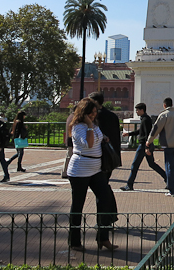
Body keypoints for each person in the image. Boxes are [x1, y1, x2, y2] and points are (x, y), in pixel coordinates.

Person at [67, 98, 118, 251]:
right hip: (80, 170)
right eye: (91, 113)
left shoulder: (95, 125)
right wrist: (89, 125)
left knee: (105, 199)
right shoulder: (77, 127)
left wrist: (104, 137)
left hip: (96, 169)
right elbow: (88, 144)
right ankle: (74, 241)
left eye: (95, 113)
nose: (94, 115)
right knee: (78, 205)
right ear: (83, 113)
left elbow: (99, 138)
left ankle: (103, 237)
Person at [120, 103, 167, 191]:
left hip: (143, 146)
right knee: (152, 164)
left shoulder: (145, 119)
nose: (136, 112)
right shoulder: (145, 119)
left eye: (137, 110)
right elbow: (140, 131)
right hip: (146, 145)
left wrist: (146, 147)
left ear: (142, 110)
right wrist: (129, 134)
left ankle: (129, 185)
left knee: (135, 165)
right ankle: (167, 179)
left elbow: (147, 134)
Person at [146, 97, 174, 196]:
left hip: (168, 144)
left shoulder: (164, 115)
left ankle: (172, 189)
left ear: (164, 105)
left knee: (169, 166)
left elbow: (156, 129)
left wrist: (149, 141)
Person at [89, 92, 122, 180]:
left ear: (95, 102)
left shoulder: (93, 117)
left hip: (97, 154)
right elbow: (116, 138)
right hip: (110, 154)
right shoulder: (112, 116)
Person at [61, 107, 75, 178]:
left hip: (70, 138)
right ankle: (65, 172)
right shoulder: (74, 117)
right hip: (72, 139)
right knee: (70, 155)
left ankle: (65, 171)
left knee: (69, 155)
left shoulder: (70, 117)